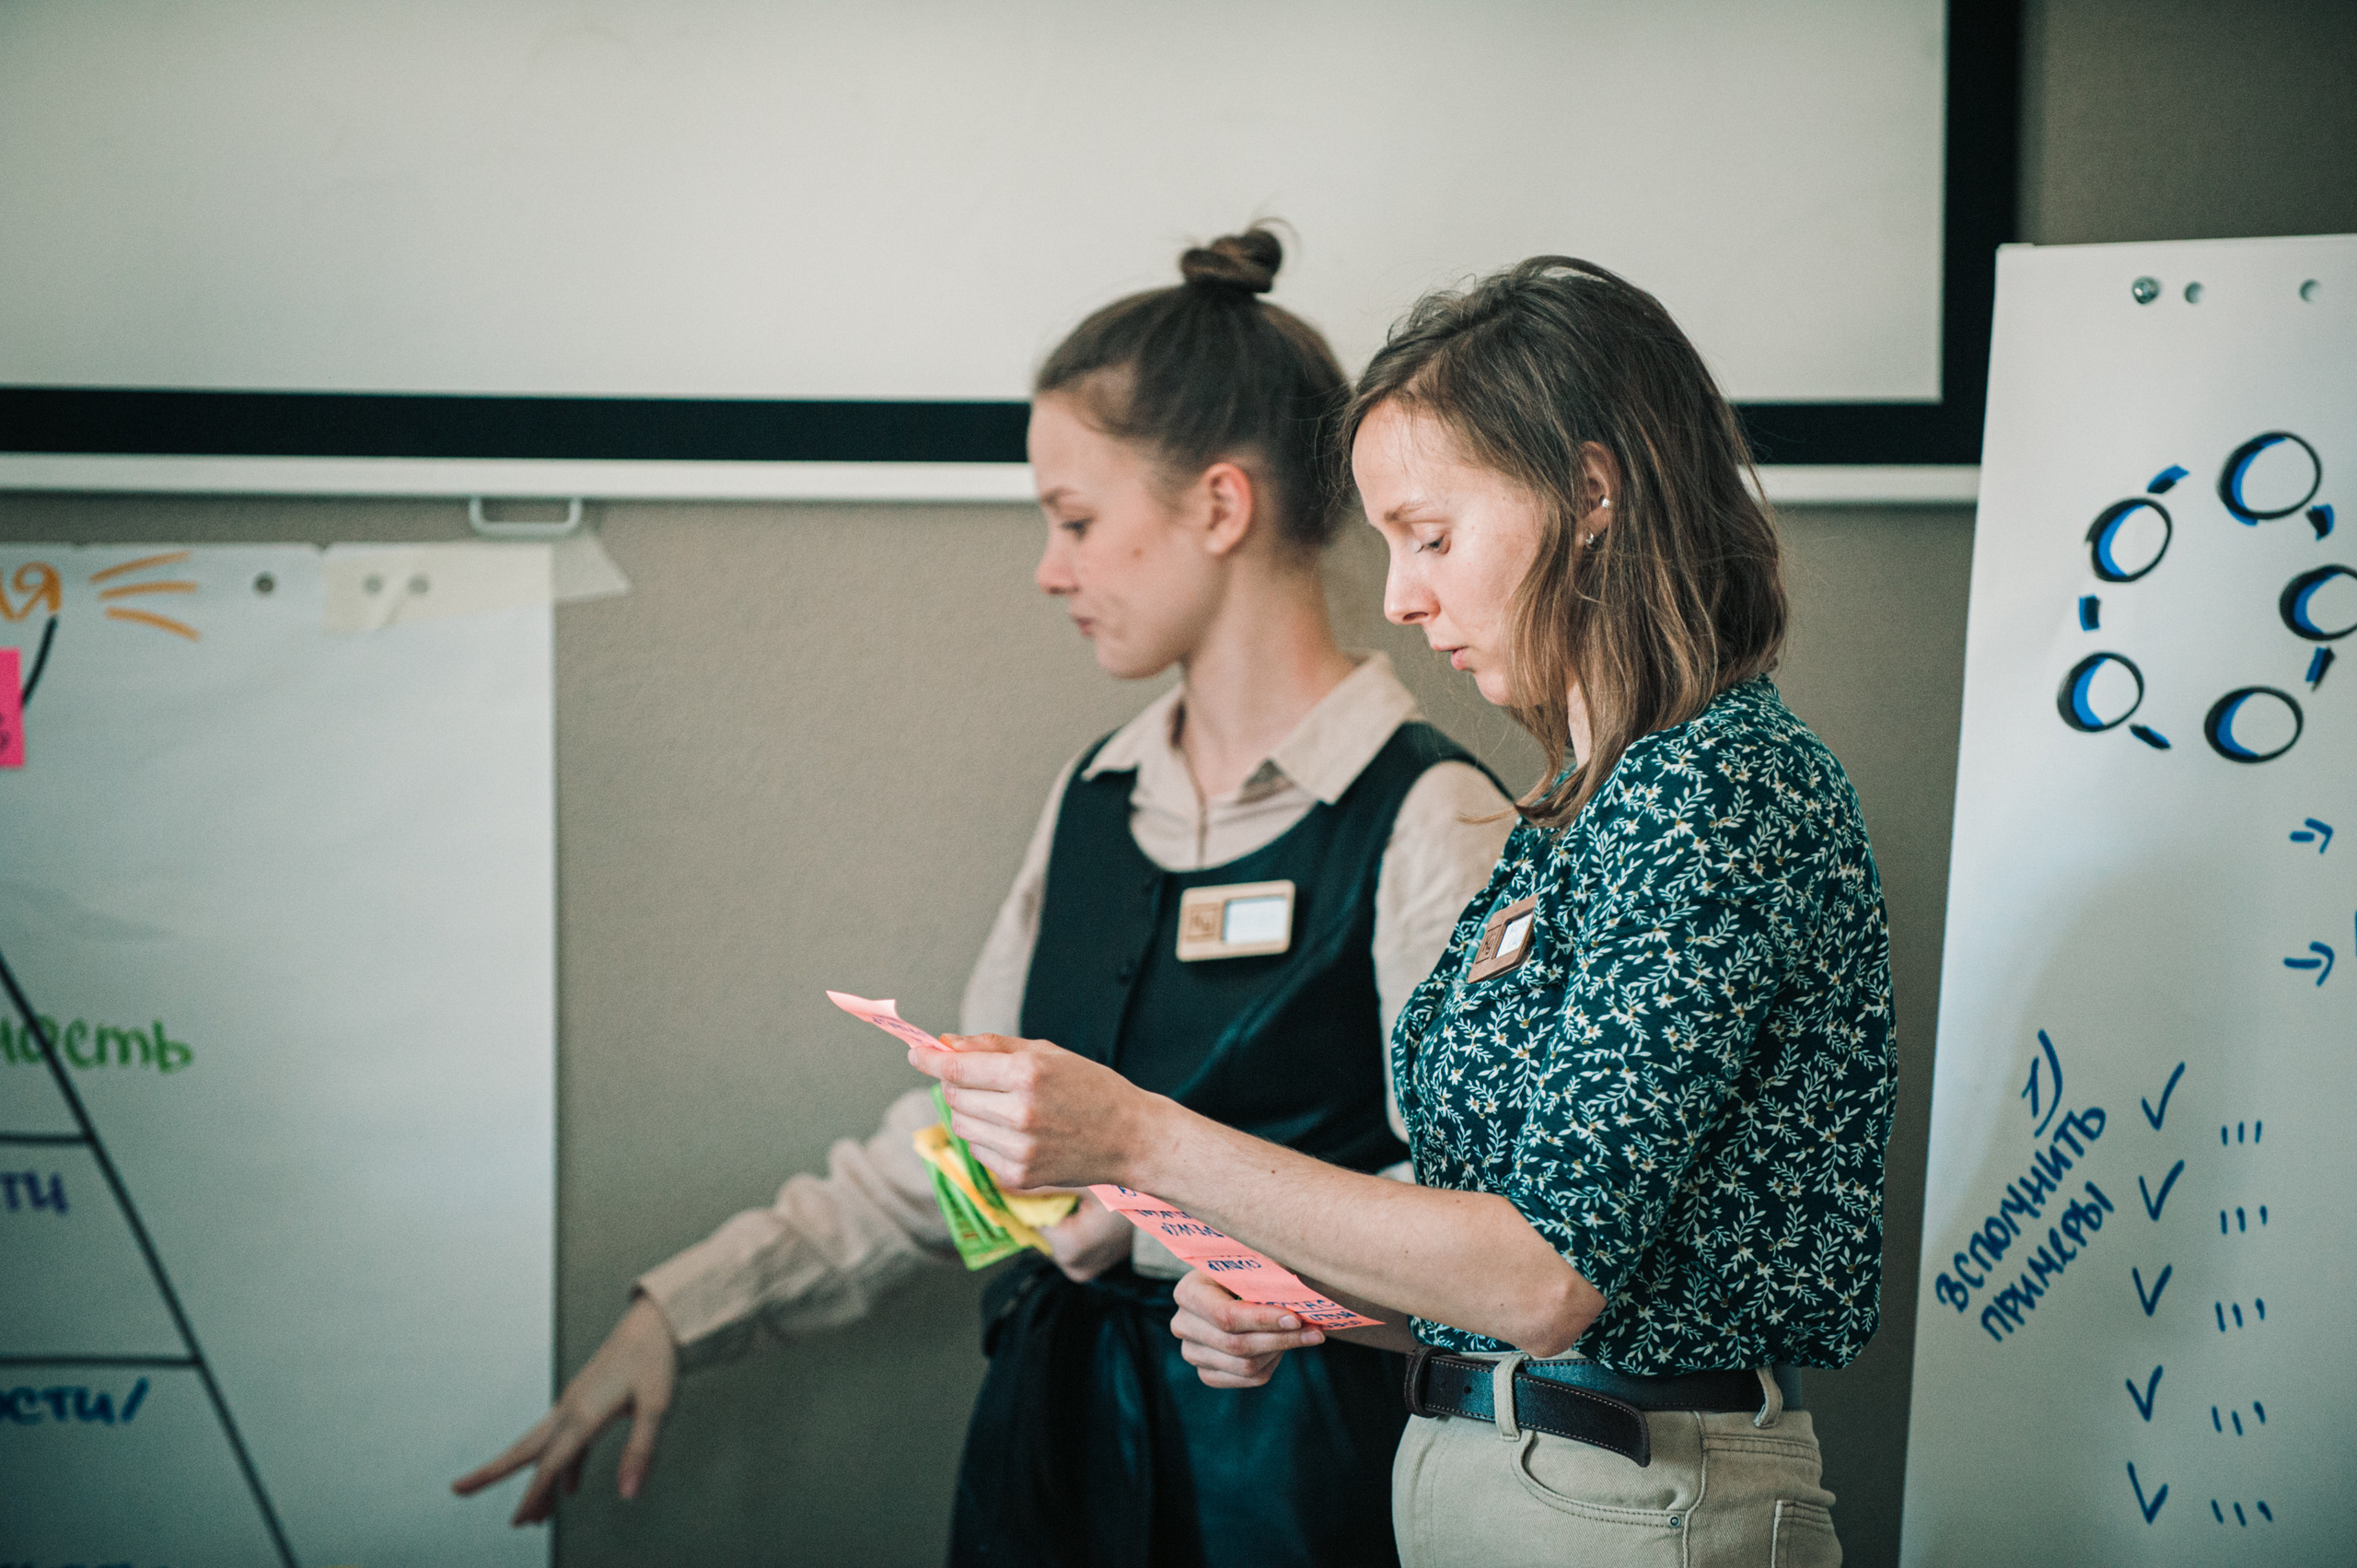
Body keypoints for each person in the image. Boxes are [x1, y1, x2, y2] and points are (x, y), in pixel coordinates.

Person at [452, 226, 1515, 1567]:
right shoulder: (1091, 800)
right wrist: (685, 1308)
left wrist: (1137, 1234)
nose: (1048, 567)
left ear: (1220, 509)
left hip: (1295, 1501)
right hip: (1046, 1475)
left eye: (1075, 520)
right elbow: (968, 1153)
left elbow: (1484, 1247)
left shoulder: (1433, 813)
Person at [909, 257, 1897, 1568]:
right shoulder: (1577, 812)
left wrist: (1141, 1140)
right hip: (1497, 1473)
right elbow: (1501, 1266)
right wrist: (1315, 1302)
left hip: (1627, 1500)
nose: (1399, 597)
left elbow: (1544, 1278)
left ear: (1591, 493)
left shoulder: (1717, 790)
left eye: (1432, 537)